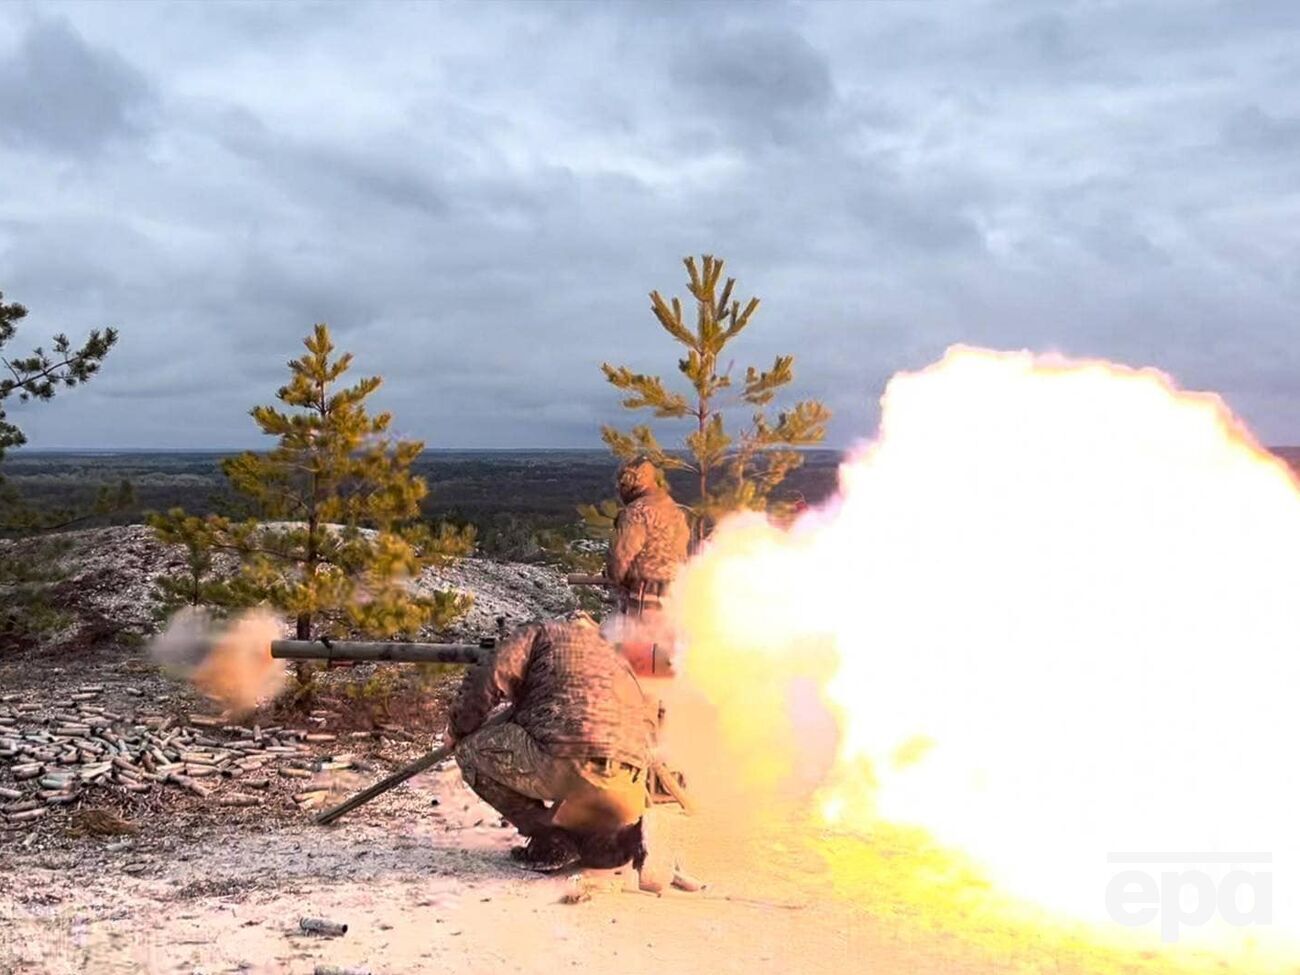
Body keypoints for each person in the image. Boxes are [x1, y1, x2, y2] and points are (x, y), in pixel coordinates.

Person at [446, 610, 671, 886]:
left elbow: (490, 674)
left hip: (563, 759)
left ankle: (549, 838)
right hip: (630, 774)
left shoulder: (541, 633)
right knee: (595, 822)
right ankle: (615, 839)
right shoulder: (615, 655)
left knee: (469, 751)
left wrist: (459, 728)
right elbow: (650, 720)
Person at [606, 456, 691, 620]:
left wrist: (618, 585)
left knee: (641, 643)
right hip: (678, 594)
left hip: (646, 595)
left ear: (630, 482)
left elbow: (620, 558)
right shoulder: (675, 510)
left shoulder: (636, 512)